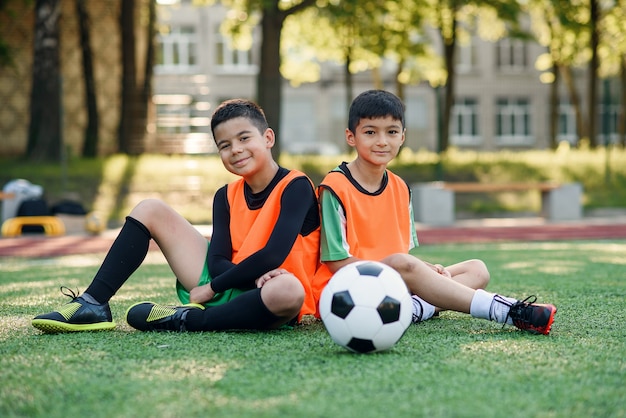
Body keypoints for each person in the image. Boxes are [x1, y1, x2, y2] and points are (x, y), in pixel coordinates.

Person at [32, 99, 320, 333]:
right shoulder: (225, 195)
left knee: (288, 290)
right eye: (225, 145)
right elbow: (217, 260)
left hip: (270, 292)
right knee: (149, 209)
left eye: (244, 138)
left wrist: (212, 289)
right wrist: (230, 282)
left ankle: (187, 320)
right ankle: (93, 303)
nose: (236, 150)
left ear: (268, 137)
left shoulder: (295, 186)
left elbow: (273, 255)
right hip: (233, 283)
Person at [312, 89, 557, 334]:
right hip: (347, 293)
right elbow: (337, 262)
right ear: (350, 137)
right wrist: (405, 268)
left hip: (393, 283)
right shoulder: (335, 186)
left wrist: (426, 269)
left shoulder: (400, 188)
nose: (382, 141)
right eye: (370, 132)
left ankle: (413, 309)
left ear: (402, 137)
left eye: (392, 132)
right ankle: (508, 310)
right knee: (404, 264)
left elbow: (400, 255)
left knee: (476, 269)